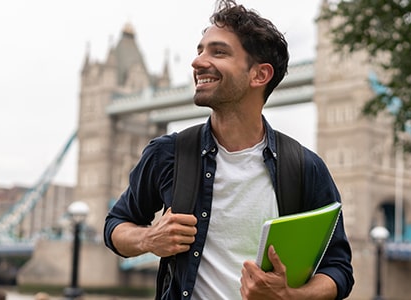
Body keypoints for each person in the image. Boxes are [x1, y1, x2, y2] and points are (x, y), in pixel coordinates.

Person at [104, 0, 354, 299]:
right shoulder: (168, 154)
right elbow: (115, 226)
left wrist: (289, 295)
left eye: (218, 52)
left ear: (259, 75)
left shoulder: (304, 166)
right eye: (200, 50)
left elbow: (338, 269)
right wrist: (149, 238)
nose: (197, 62)